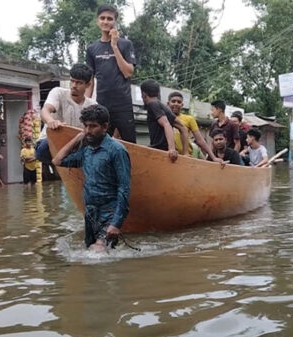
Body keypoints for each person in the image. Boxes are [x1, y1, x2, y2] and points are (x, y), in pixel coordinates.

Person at [52, 104, 131, 252]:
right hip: (90, 211)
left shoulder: (117, 150)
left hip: (110, 211)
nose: (88, 130)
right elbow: (57, 160)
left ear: (105, 126)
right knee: (90, 249)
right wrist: (77, 138)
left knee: (98, 251)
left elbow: (124, 188)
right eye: (86, 126)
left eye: (93, 126)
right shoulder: (87, 151)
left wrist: (116, 223)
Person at [85, 4, 137, 143]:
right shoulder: (92, 49)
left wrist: (114, 45)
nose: (106, 21)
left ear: (115, 21)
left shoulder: (125, 44)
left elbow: (128, 72)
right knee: (100, 144)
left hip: (123, 104)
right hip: (102, 105)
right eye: (102, 18)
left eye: (110, 18)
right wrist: (85, 104)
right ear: (98, 21)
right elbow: (90, 81)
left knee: (130, 144)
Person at [36, 63, 97, 163]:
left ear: (88, 85)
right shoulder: (58, 92)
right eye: (72, 81)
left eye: (79, 83)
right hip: (49, 144)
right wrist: (51, 121)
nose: (74, 86)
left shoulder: (92, 105)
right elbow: (45, 110)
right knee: (43, 149)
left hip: (74, 146)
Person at [140, 80, 190, 163]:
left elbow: (166, 124)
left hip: (160, 151)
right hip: (163, 150)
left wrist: (172, 149)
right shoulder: (163, 106)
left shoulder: (152, 104)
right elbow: (183, 127)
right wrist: (186, 153)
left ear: (143, 94)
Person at [167, 91, 222, 164]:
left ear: (182, 105)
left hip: (186, 157)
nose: (176, 104)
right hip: (169, 156)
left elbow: (200, 140)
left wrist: (214, 157)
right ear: (168, 103)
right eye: (173, 101)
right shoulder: (163, 119)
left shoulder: (189, 119)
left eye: (179, 102)